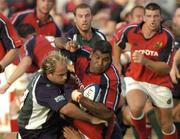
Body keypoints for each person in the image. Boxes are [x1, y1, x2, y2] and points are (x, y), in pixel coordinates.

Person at [113, 3, 177, 139]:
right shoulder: (130, 30)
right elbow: (117, 42)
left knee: (166, 125)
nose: (152, 19)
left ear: (160, 17)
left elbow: (166, 68)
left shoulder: (167, 37)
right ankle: (143, 137)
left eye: (156, 16)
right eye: (149, 16)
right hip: (136, 78)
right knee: (136, 107)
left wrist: (145, 61)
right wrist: (117, 63)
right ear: (144, 18)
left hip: (160, 82)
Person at [18, 51, 107, 139]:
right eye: (61, 75)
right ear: (49, 74)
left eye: (65, 72)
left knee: (78, 128)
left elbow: (66, 73)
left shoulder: (49, 71)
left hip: (50, 120)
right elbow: (66, 109)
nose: (65, 77)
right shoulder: (43, 89)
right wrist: (92, 119)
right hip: (35, 131)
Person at [58, 39, 121, 139]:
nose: (100, 63)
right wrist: (66, 44)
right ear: (91, 55)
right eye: (97, 57)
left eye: (106, 60)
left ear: (110, 60)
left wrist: (80, 98)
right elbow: (57, 41)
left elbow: (107, 114)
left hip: (95, 129)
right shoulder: (82, 53)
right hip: (74, 119)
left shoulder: (111, 78)